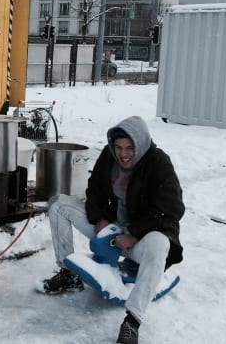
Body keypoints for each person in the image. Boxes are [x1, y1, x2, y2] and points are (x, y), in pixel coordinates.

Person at [37, 116, 184, 344]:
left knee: (160, 244)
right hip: (112, 229)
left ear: (141, 145)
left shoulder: (158, 162)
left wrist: (134, 233)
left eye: (129, 148)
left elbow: (172, 208)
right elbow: (94, 188)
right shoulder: (109, 156)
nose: (123, 154)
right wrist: (100, 217)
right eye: (119, 148)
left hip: (140, 239)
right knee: (58, 204)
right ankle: (68, 272)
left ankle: (132, 321)